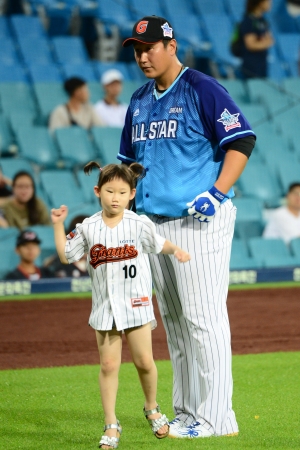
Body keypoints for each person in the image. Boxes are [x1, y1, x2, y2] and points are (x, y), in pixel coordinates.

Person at [119, 15, 256, 439]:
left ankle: (217, 418)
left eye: (149, 47)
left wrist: (216, 192)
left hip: (200, 221)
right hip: (155, 225)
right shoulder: (140, 99)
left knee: (203, 318)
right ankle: (187, 413)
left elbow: (242, 140)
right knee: (176, 324)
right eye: (137, 50)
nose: (142, 56)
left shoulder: (202, 87)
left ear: (171, 46)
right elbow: (128, 165)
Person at [51, 161, 191, 448]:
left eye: (122, 192)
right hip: (105, 308)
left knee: (144, 362)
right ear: (97, 191)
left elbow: (158, 243)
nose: (115, 197)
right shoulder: (87, 227)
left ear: (132, 194)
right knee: (109, 364)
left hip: (137, 304)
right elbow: (66, 255)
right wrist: (57, 224)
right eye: (109, 190)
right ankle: (111, 423)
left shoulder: (139, 223)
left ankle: (152, 407)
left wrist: (175, 249)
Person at [239, 0, 274, 79]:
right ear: (260, 2)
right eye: (268, 1)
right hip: (251, 66)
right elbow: (251, 45)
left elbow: (270, 39)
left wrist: (264, 42)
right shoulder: (249, 21)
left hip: (262, 64)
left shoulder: (263, 21)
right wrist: (265, 42)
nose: (270, 4)